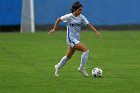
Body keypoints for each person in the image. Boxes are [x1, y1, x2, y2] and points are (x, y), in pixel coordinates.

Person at [48, 2, 101, 77]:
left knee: (68, 56)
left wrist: (96, 32)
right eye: (79, 10)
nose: (80, 12)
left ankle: (58, 67)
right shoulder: (69, 16)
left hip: (76, 39)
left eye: (81, 10)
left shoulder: (81, 17)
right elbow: (58, 19)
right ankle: (82, 68)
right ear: (74, 10)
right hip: (70, 38)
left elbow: (88, 24)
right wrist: (54, 29)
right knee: (86, 50)